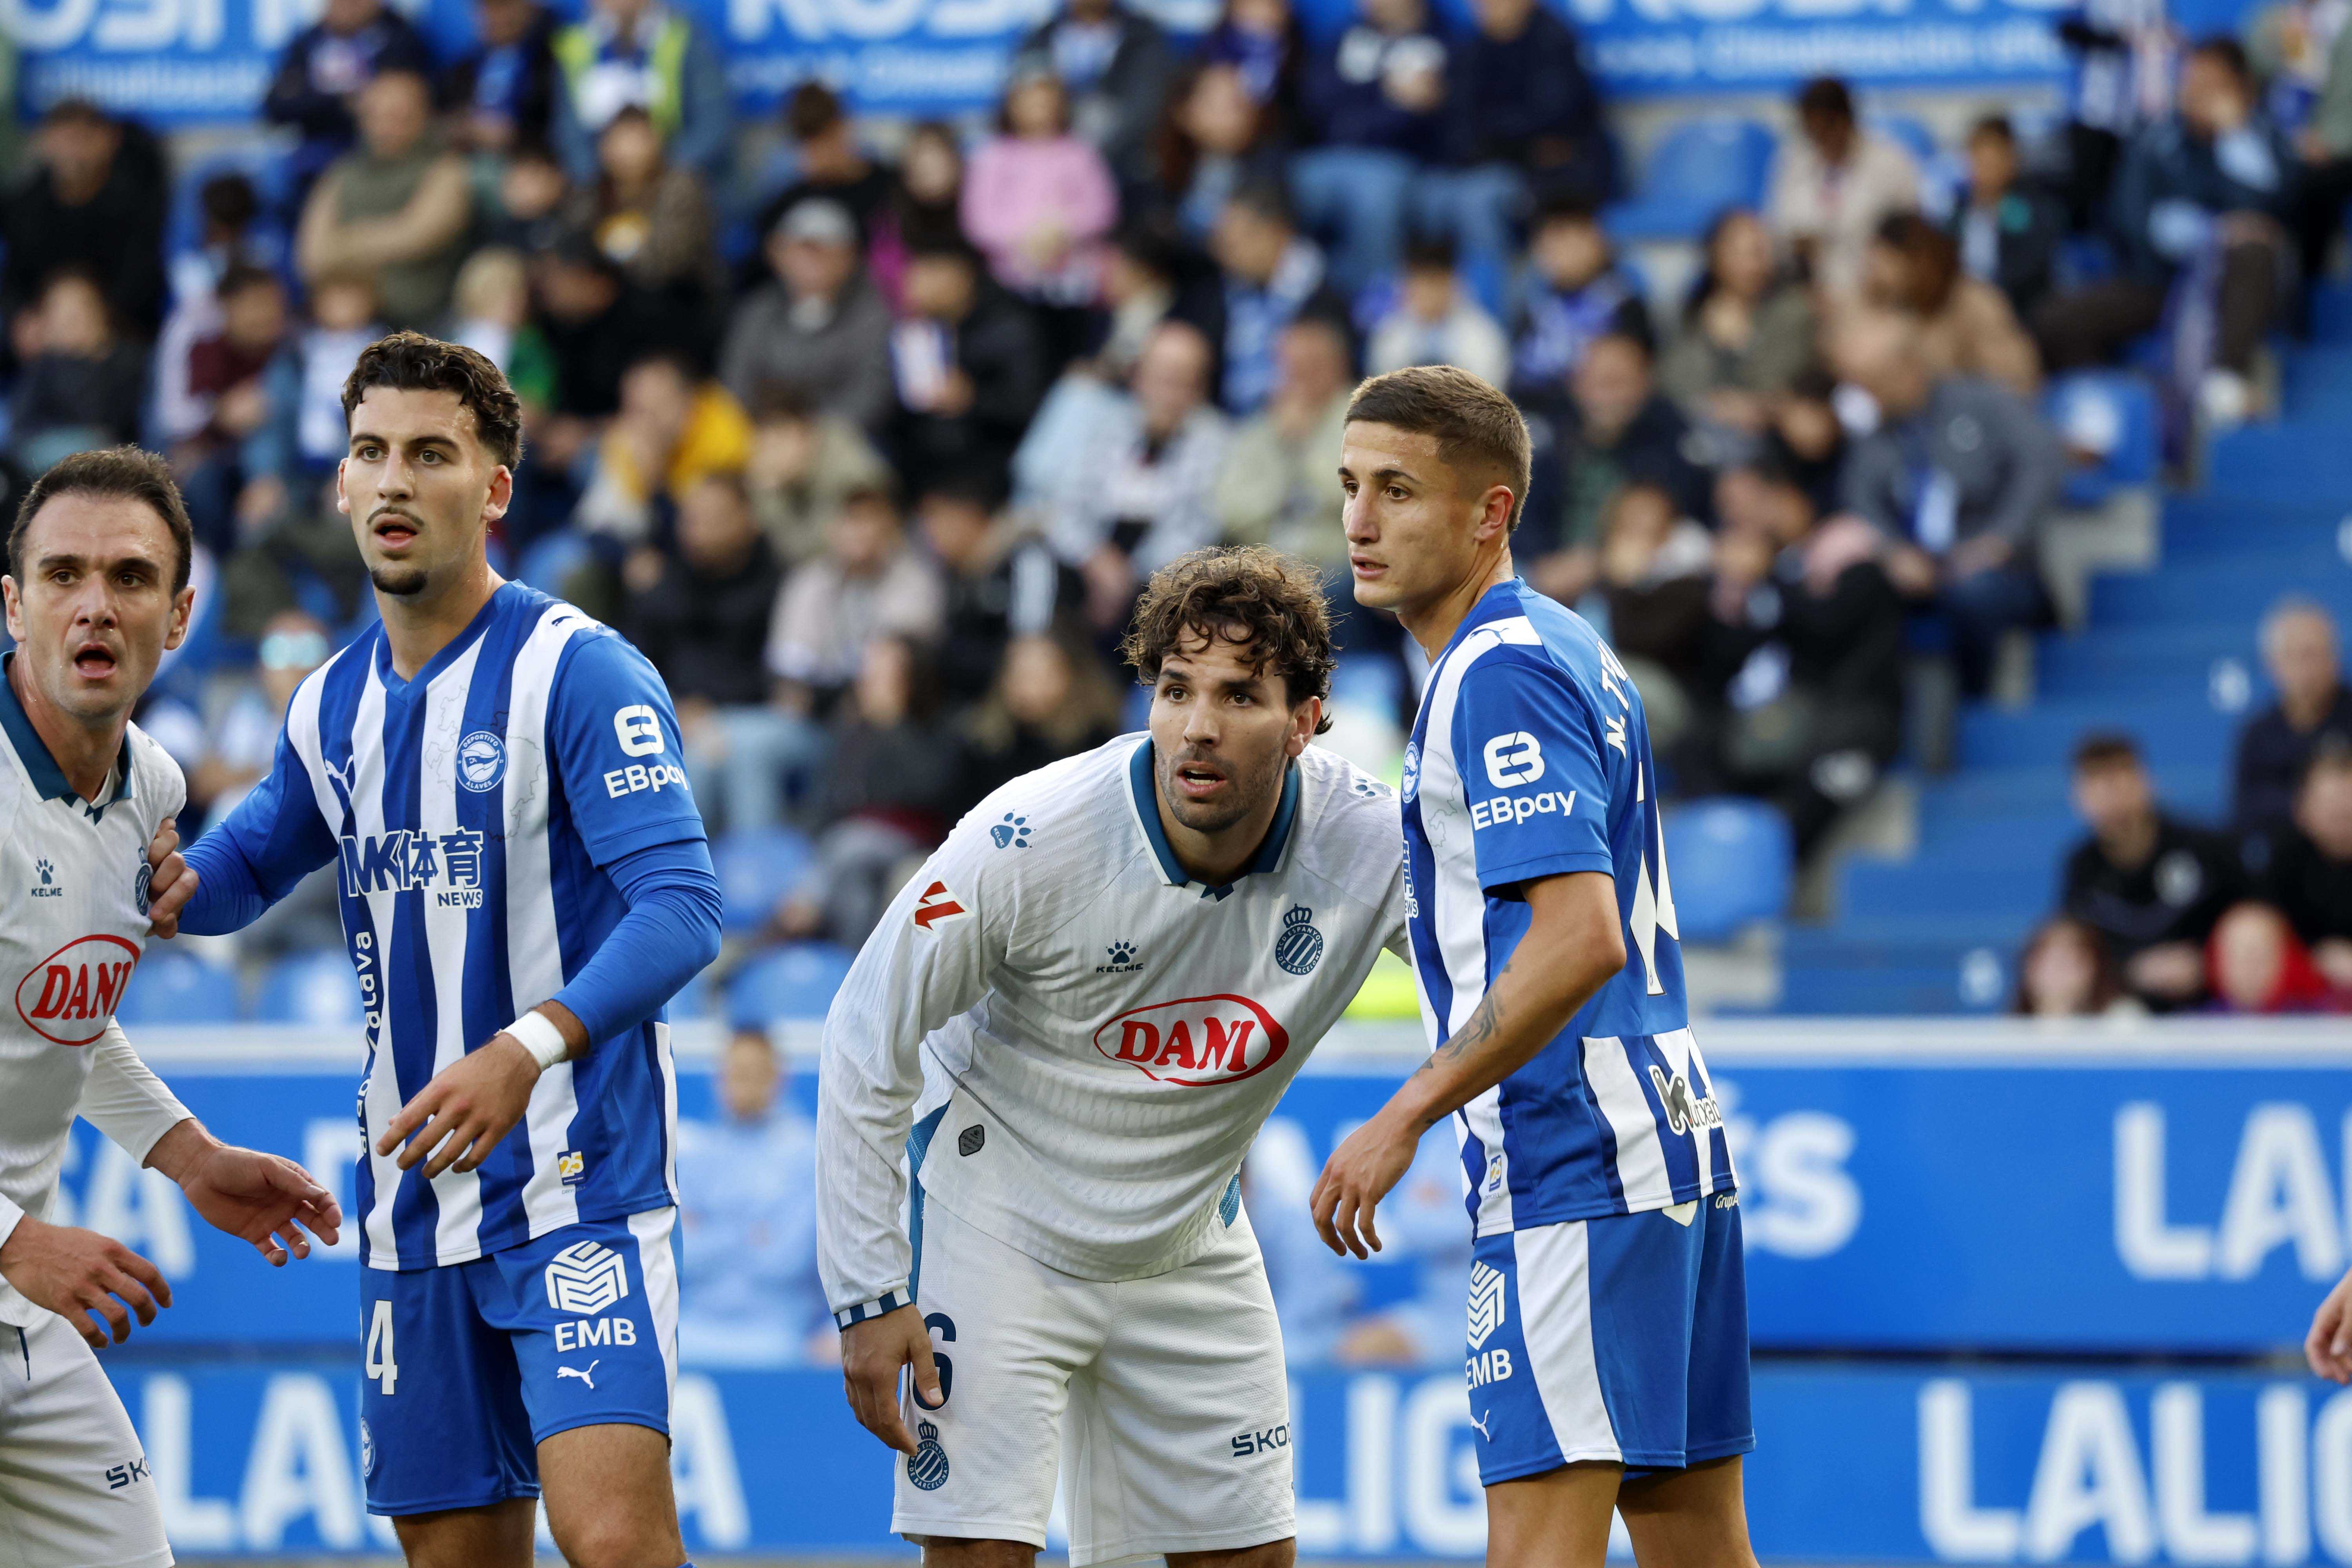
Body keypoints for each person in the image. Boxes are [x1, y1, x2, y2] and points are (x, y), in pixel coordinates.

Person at [148, 333, 723, 1568]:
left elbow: (680, 906)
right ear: (341, 485)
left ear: (495, 487)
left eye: (431, 453)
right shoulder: (329, 704)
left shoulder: (578, 671)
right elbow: (239, 870)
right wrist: (145, 879)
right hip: (411, 1208)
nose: (396, 481)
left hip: (580, 1188)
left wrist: (525, 1048)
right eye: (371, 453)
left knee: (614, 1539)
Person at [818, 545, 1407, 1568]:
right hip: (995, 1229)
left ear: (1309, 719)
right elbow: (866, 1035)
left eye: (1240, 695)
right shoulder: (1026, 837)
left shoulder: (1374, 841)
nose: (1199, 726)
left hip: (1188, 1244)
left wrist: (1418, 1112)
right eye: (1175, 690)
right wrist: (870, 1294)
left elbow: (1519, 980)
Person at [1318, 365, 1752, 1568]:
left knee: (1536, 1546)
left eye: (1398, 490)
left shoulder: (1495, 670)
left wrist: (1405, 1110)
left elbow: (1578, 934)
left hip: (1573, 1152)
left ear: (1487, 512)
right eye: (1350, 486)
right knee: (1694, 1542)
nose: (1359, 519)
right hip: (1664, 1128)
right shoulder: (1564, 643)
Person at [0, 447, 343, 1567]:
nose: (95, 607)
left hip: (20, 1311)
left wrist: (189, 1157)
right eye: (62, 577)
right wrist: (13, 1241)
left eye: (130, 578)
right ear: (14, 604)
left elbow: (58, 1006)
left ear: (182, 614)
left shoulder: (150, 782)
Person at [2034, 38, 2297, 426]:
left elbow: (2272, 218)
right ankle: (2123, 403)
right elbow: (2132, 219)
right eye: (2192, 81)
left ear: (2243, 90)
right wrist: (2211, 232)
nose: (2198, 93)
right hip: (2158, 282)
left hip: (2239, 290)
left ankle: (2223, 382)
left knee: (2253, 251)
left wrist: (2234, 136)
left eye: (2214, 85)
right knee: (2053, 320)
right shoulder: (2156, 140)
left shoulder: (2266, 140)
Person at [1832, 310, 2063, 697]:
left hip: (1996, 566)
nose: (1867, 396)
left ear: (1907, 368)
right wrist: (1892, 552)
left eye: (1874, 384)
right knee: (1851, 590)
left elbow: (2041, 463)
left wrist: (2001, 539)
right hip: (1915, 568)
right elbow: (1859, 500)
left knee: (1975, 592)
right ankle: (1871, 717)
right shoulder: (1873, 432)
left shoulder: (1983, 402)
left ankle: (1976, 700)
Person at [621, 472, 787, 835]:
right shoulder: (668, 584)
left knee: (723, 753)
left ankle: (750, 876)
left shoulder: (780, 584)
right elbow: (633, 667)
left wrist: (709, 714)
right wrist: (677, 708)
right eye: (692, 520)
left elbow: (781, 680)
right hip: (681, 717)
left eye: (715, 519)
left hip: (756, 719)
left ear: (749, 520)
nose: (699, 532)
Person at [1049, 321, 1232, 633]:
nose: (1167, 394)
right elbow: (1065, 504)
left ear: (1200, 387)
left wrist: (1130, 576)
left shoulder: (1218, 440)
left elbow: (1197, 526)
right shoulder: (1106, 425)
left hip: (1161, 571)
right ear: (1138, 378)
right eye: (1159, 379)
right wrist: (1095, 558)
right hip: (1094, 556)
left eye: (1181, 382)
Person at [676, 1028, 831, 1367]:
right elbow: (682, 1257)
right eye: (734, 1074)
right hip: (691, 1329)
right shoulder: (694, 1157)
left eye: (754, 1074)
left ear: (779, 1078)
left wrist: (710, 1228)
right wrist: (752, 1233)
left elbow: (786, 1260)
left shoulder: (809, 1156)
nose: (742, 1084)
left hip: (781, 1335)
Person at [1421, 0, 1611, 277]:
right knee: (1430, 198)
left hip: (1542, 174)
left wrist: (1493, 136)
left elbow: (1554, 119)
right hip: (1484, 163)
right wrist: (1496, 138)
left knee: (1477, 200)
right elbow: (1458, 124)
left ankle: (1494, 304)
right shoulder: (1471, 48)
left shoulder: (1552, 40)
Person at [2059, 731, 2244, 1010]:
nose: (2109, 792)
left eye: (2119, 776)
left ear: (2147, 782)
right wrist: (2135, 970)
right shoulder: (2080, 867)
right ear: (2078, 798)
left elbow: (2251, 920)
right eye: (2095, 781)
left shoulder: (2205, 848)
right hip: (2121, 1014)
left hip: (2217, 1002)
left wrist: (2207, 963)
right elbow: (2077, 949)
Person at [1291, 0, 1452, 296]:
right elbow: (1317, 98)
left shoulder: (1438, 40)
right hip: (1329, 153)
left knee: (1375, 199)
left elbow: (1417, 119)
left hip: (1397, 160)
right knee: (1287, 186)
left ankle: (1372, 308)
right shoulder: (1349, 34)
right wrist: (1384, 95)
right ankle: (1295, 303)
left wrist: (1366, 112)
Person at [295, 70, 474, 330]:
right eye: (375, 116)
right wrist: (374, 245)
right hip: (348, 321)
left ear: (425, 116)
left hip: (427, 324)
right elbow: (310, 257)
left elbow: (416, 236)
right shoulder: (341, 173)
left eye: (400, 117)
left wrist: (346, 242)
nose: (386, 128)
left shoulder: (446, 169)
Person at [0, 101, 167, 351]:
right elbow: (14, 279)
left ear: (109, 141)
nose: (73, 152)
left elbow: (142, 283)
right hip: (41, 338)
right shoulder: (25, 204)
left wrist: (92, 323)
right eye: (64, 140)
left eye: (82, 140)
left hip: (118, 337)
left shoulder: (137, 205)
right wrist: (24, 320)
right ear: (46, 143)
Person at [720, 199, 895, 433]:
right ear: (778, 253)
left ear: (850, 255)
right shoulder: (758, 309)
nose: (812, 260)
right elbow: (734, 384)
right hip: (761, 435)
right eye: (802, 248)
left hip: (843, 438)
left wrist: (810, 435)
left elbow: (872, 394)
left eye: (825, 249)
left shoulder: (874, 313)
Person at [1657, 209, 1818, 445]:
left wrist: (1756, 405)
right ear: (1715, 256)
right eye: (1741, 253)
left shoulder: (1792, 311)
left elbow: (1786, 380)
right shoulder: (1690, 315)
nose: (1753, 264)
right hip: (1698, 434)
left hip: (1769, 440)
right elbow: (1674, 383)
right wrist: (1714, 405)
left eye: (1760, 252)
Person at [1217, 316, 1356, 581]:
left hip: (1335, 570)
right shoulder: (1260, 428)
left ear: (1338, 366)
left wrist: (1301, 448)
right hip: (1264, 571)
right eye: (1292, 368)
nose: (1299, 378)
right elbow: (1230, 510)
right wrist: (1284, 452)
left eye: (1312, 367)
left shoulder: (1360, 421)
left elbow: (1348, 497)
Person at [1193, 182, 1351, 416]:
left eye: (1236, 243)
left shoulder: (1324, 295)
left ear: (1276, 231)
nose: (1226, 256)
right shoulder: (1225, 293)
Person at [1766, 76, 1922, 299]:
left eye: (1826, 131)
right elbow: (1777, 227)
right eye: (1812, 134)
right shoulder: (1791, 161)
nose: (1821, 142)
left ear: (1846, 122)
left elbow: (1910, 238)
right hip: (1807, 291)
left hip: (1875, 293)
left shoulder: (1892, 164)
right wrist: (1798, 244)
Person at [1856, 212, 2041, 398]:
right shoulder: (1878, 304)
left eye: (1885, 263)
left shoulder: (1973, 302)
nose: (1875, 273)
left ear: (1916, 261)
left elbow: (2016, 380)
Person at [262, 0, 434, 193]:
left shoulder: (399, 37)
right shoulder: (309, 41)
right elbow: (275, 106)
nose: (347, 5)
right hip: (317, 145)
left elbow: (395, 101)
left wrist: (316, 99)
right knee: (273, 174)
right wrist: (342, 102)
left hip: (373, 146)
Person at [550, 0, 731, 183]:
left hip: (673, 178)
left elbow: (713, 123)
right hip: (602, 187)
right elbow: (569, 133)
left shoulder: (685, 36)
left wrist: (662, 172)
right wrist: (599, 183)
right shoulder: (575, 44)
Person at [1009, 0, 1177, 186]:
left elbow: (1144, 109)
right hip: (1049, 171)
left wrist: (1085, 159)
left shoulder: (1143, 36)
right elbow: (1024, 106)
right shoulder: (1040, 37)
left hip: (1123, 170)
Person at [1507, 200, 1651, 403]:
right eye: (1547, 242)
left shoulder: (1624, 307)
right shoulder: (1533, 310)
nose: (1555, 252)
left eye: (1566, 239)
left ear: (1597, 241)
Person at [2235, 597, 2352, 833]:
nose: (2305, 671)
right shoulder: (2258, 735)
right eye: (2294, 656)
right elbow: (2245, 809)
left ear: (2335, 658)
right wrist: (2309, 810)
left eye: (2314, 654)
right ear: (2272, 664)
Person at [2254, 738, 2352, 989]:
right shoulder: (2285, 860)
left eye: (2348, 801)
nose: (2342, 812)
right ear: (2301, 809)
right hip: (2298, 991)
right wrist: (2316, 960)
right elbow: (2271, 933)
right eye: (2330, 803)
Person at [1949, 116, 2064, 322]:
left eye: (1992, 162)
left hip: (2017, 311)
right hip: (1962, 309)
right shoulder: (1959, 210)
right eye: (1979, 162)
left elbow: (2030, 270)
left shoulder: (2033, 208)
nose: (1984, 172)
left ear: (2011, 160)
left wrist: (1987, 298)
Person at [1367, 238, 1511, 386]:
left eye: (1433, 283)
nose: (1426, 293)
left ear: (1450, 283)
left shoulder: (1482, 334)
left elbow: (1489, 395)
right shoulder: (1390, 333)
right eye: (1418, 283)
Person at [443, 0, 561, 153]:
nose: (499, 18)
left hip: (527, 158)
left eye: (505, 7)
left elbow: (554, 125)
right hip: (469, 157)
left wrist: (514, 134)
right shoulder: (465, 67)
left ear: (528, 9)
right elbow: (445, 115)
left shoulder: (548, 62)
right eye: (490, 9)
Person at [2012, 914, 2143, 1017]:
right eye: (2049, 960)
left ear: (2092, 969)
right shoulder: (2008, 1033)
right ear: (2029, 968)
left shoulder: (2122, 1022)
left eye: (2069, 961)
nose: (2058, 971)